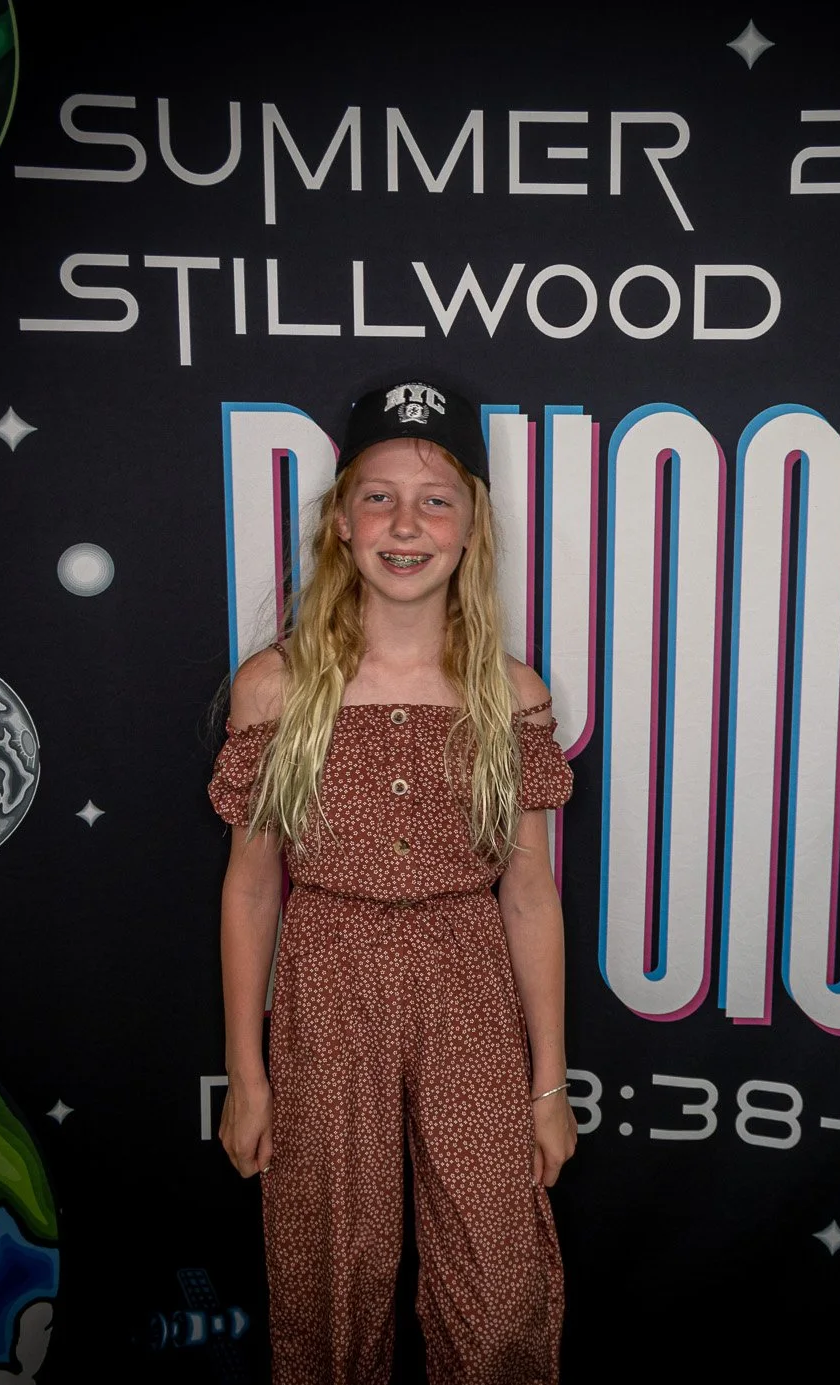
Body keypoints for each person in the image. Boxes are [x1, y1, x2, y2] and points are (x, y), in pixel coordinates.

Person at [207, 378, 577, 1384]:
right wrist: (247, 1073)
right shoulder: (277, 685)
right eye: (379, 497)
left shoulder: (511, 692)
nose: (405, 525)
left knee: (499, 1281)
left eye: (435, 500)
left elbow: (529, 893)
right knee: (329, 1271)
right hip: (328, 983)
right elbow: (251, 889)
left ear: (472, 528)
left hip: (469, 985)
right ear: (342, 521)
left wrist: (548, 1083)